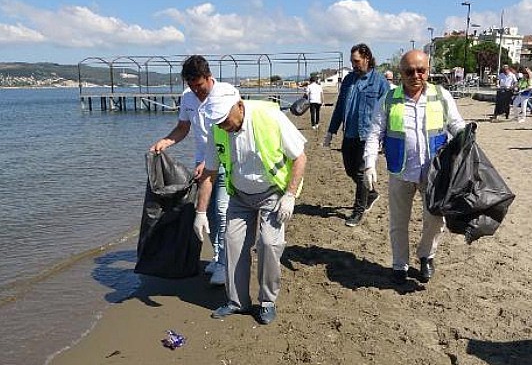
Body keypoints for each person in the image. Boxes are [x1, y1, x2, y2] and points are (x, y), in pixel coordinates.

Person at [194, 94, 307, 325]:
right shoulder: (219, 129)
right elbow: (210, 173)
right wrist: (200, 212)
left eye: (226, 120)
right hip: (240, 195)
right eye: (219, 123)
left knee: (268, 244)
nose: (224, 126)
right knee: (232, 243)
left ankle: (267, 301)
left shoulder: (269, 117)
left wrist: (290, 195)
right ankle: (237, 302)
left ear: (239, 105)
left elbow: (300, 157)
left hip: (272, 192)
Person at [363, 50, 466, 284]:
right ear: (401, 73)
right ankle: (400, 265)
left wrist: (465, 136)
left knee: (435, 220)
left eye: (421, 70)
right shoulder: (389, 99)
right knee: (398, 222)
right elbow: (374, 133)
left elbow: (456, 125)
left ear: (428, 71)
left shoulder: (441, 96)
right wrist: (370, 163)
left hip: (434, 172)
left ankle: (426, 256)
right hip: (400, 171)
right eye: (410, 71)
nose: (416, 75)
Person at [149, 55, 237, 286]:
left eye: (199, 86)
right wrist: (165, 142)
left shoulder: (226, 94)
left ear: (209, 77)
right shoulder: (188, 98)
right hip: (203, 165)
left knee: (221, 211)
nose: (196, 91)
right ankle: (219, 257)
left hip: (227, 161)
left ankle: (223, 264)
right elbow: (182, 128)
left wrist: (209, 161)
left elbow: (233, 130)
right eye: (191, 86)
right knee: (206, 213)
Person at [324, 43, 389, 227]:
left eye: (356, 61)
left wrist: (385, 138)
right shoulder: (348, 80)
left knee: (361, 174)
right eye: (352, 61)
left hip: (367, 136)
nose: (354, 64)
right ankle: (371, 193)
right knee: (350, 170)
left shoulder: (379, 82)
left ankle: (358, 211)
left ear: (367, 58)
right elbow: (339, 107)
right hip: (349, 134)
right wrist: (331, 131)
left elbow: (387, 111)